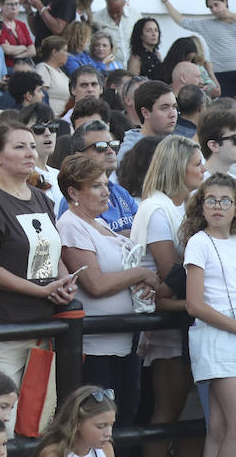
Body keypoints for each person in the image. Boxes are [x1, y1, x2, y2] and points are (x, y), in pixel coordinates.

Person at [0, 120, 78, 400]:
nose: (31, 153)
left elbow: (53, 253)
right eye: (19, 147)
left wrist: (64, 282)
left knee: (39, 422)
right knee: (1, 421)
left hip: (41, 326)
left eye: (31, 146)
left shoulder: (42, 199)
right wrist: (41, 290)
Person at [57, 153, 158, 427]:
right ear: (73, 192)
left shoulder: (98, 223)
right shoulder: (70, 225)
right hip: (95, 347)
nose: (106, 193)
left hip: (125, 341)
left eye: (106, 184)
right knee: (99, 423)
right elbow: (96, 284)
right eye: (97, 186)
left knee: (126, 418)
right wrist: (140, 274)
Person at [181, 174, 236, 457]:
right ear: (201, 206)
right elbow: (195, 305)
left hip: (235, 335)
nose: (217, 206)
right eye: (211, 200)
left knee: (219, 428)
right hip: (213, 338)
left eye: (225, 201)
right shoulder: (198, 242)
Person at [157, 0, 236, 96]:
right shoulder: (207, 25)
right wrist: (165, 1)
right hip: (222, 73)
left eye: (216, 5)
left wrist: (233, 16)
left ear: (225, 2)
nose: (214, 10)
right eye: (210, 7)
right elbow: (182, 21)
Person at [32, 385, 118, 457]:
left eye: (111, 425)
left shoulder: (106, 449)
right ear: (77, 422)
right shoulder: (54, 454)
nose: (109, 433)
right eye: (101, 426)